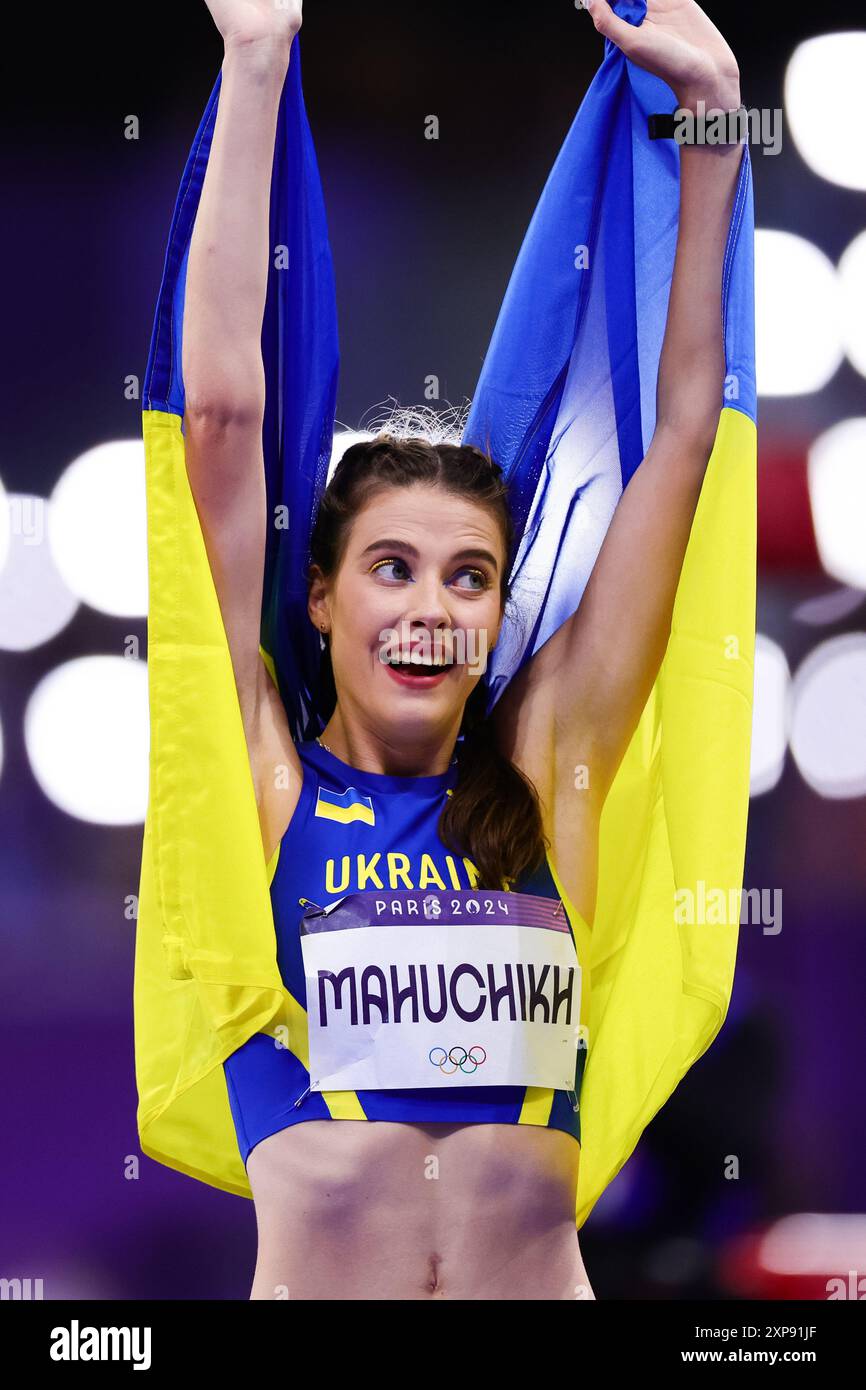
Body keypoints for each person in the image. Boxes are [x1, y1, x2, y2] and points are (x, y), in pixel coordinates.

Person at [179, 0, 744, 1299]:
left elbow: (681, 440)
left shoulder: (548, 767)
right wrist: (256, 61)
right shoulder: (269, 784)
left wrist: (712, 119)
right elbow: (217, 411)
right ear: (316, 597)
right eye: (391, 567)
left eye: (470, 574)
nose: (432, 605)